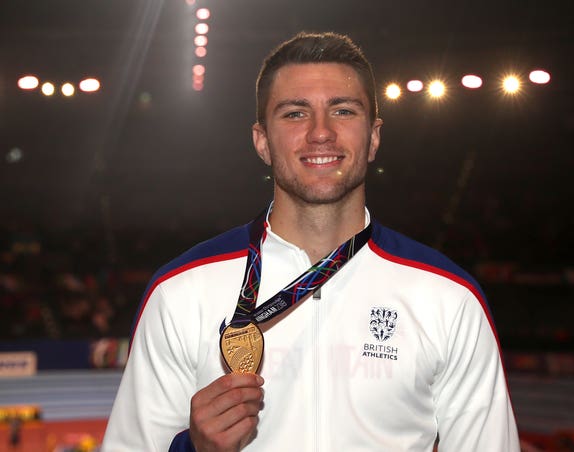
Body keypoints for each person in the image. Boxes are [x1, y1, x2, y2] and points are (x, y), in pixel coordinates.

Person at [103, 31, 520, 451]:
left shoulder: (449, 298)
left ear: (373, 137)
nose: (321, 133)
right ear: (262, 141)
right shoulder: (180, 290)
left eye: (342, 110)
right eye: (294, 114)